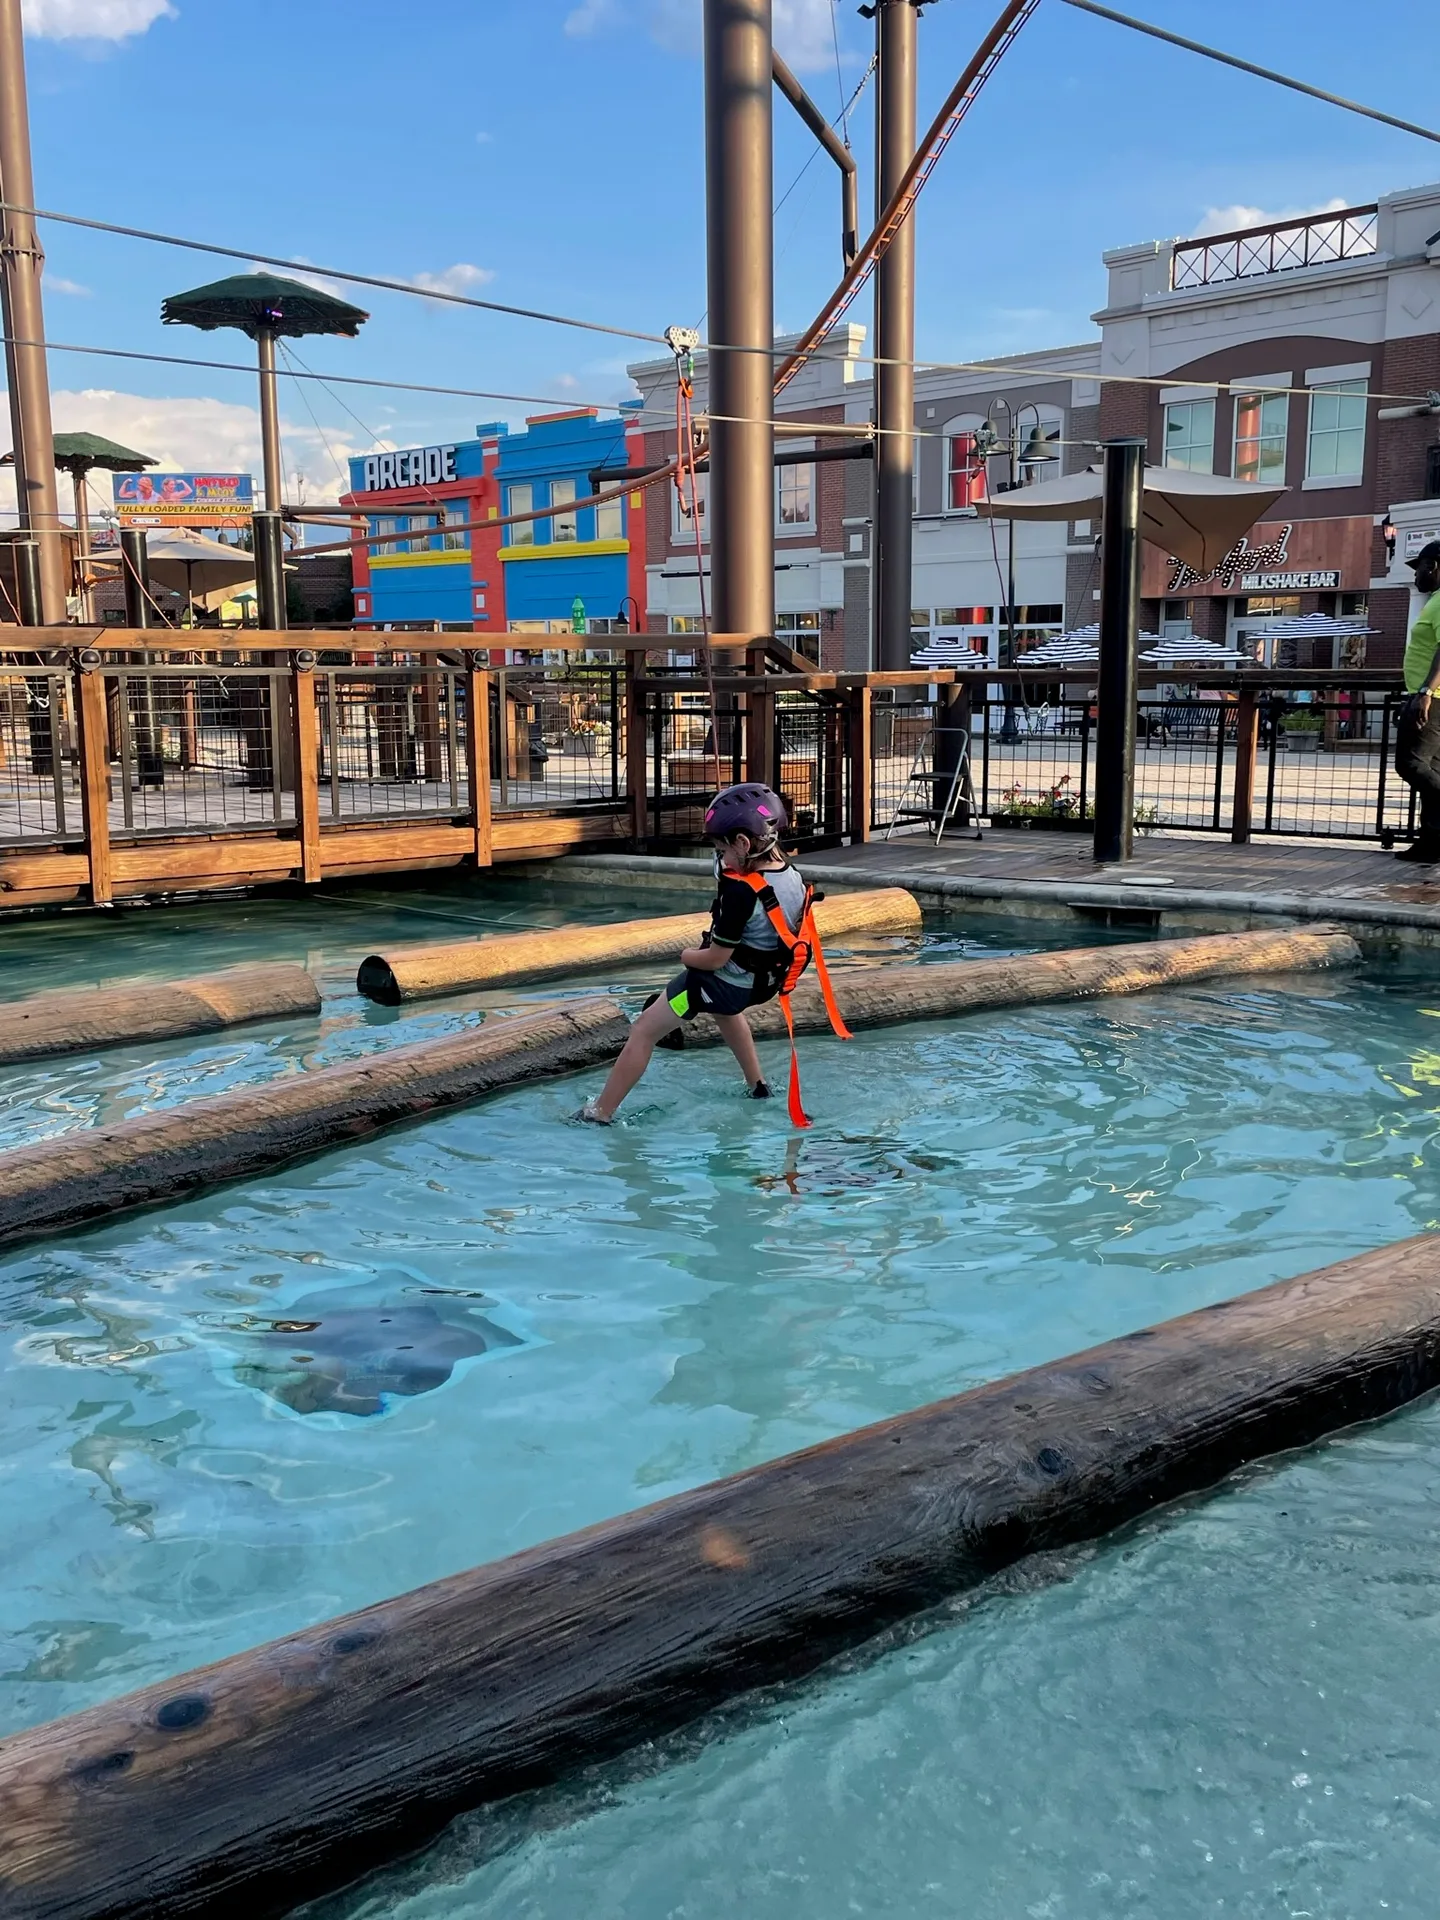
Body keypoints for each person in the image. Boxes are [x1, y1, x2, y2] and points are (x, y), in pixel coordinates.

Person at [575, 783, 820, 1124]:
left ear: (743, 843)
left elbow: (715, 959)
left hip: (713, 985)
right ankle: (758, 1085)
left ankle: (600, 1112)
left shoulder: (740, 893)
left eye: (722, 849)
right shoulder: (792, 875)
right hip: (760, 984)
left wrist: (686, 955)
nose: (722, 859)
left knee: (644, 1029)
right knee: (724, 1011)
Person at [1394, 540, 1440, 863]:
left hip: (1432, 699)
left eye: (1420, 568)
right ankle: (1432, 844)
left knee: (1410, 764)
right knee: (1432, 769)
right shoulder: (1435, 600)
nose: (1417, 575)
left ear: (1434, 566)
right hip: (1430, 696)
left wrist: (1424, 693)